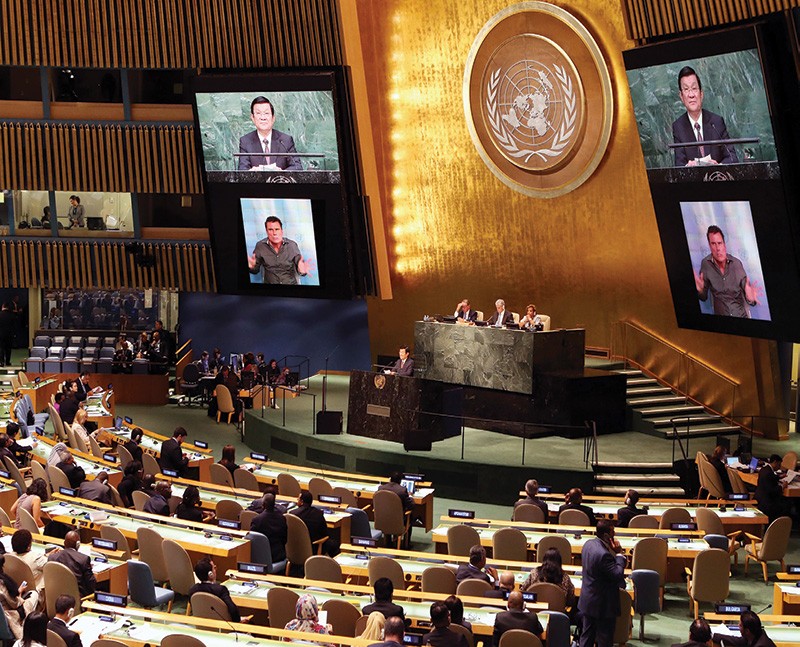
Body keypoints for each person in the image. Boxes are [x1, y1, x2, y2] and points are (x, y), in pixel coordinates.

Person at [672, 66, 738, 167]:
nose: (691, 95)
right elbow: (679, 164)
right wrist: (688, 167)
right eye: (686, 89)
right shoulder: (678, 127)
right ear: (681, 96)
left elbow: (732, 157)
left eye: (694, 88)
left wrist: (718, 166)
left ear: (701, 94)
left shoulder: (717, 122)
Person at [578, 520, 627, 647]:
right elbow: (617, 575)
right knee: (604, 640)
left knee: (586, 637)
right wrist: (619, 554)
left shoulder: (588, 544)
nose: (614, 533)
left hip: (588, 601)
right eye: (612, 531)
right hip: (603, 605)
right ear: (606, 535)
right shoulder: (604, 555)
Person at [695, 225, 760, 318]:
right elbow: (703, 297)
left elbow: (749, 294)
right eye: (713, 244)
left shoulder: (736, 264)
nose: (718, 248)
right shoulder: (706, 264)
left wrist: (751, 299)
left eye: (719, 243)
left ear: (724, 244)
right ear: (709, 245)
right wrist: (700, 291)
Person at [238, 96, 302, 171]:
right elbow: (242, 169)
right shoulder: (245, 141)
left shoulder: (285, 140)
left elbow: (297, 167)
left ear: (273, 118)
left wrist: (281, 173)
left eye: (266, 113)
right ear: (252, 117)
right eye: (258, 113)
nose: (263, 118)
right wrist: (252, 172)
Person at [248, 216, 309, 285]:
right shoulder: (260, 246)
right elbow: (255, 270)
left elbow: (301, 268)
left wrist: (302, 271)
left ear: (281, 231)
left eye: (277, 229)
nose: (274, 233)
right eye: (270, 229)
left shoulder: (292, 245)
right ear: (266, 231)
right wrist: (251, 267)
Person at [188, 557, 248, 623]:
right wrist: (239, 620)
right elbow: (233, 611)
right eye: (214, 568)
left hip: (200, 624)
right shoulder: (221, 590)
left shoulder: (192, 590)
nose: (215, 570)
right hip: (222, 626)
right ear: (210, 574)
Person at [0, 555, 39, 641]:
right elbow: (15, 604)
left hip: (4, 615)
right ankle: (29, 630)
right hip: (9, 616)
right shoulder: (1, 583)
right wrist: (19, 593)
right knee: (34, 594)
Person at [47, 531, 97, 597]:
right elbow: (92, 584)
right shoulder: (83, 559)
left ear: (64, 543)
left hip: (56, 596)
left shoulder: (52, 558)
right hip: (76, 597)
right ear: (78, 544)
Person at [291, 491, 339, 557]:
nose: (297, 500)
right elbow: (325, 534)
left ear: (301, 501)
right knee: (334, 544)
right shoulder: (318, 513)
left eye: (298, 499)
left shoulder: (293, 514)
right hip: (315, 547)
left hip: (297, 547)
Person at [250, 493, 288, 564]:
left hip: (260, 557)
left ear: (263, 505)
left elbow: (252, 540)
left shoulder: (257, 520)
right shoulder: (282, 518)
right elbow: (285, 540)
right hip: (278, 556)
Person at [755, 454, 791, 522]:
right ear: (775, 462)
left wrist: (779, 477)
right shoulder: (769, 473)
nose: (779, 467)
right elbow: (772, 491)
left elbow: (771, 478)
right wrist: (782, 486)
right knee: (788, 504)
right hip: (767, 502)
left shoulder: (764, 469)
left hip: (760, 498)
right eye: (779, 465)